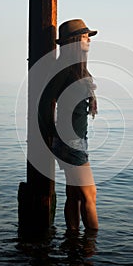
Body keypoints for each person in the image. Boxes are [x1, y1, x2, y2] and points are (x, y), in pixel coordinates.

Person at [39, 19, 99, 231]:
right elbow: (45, 104)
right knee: (90, 194)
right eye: (84, 37)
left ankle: (73, 243)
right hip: (70, 141)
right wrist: (52, 135)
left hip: (76, 140)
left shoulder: (77, 69)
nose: (88, 41)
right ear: (73, 42)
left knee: (74, 194)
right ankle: (92, 250)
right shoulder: (63, 70)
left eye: (88, 37)